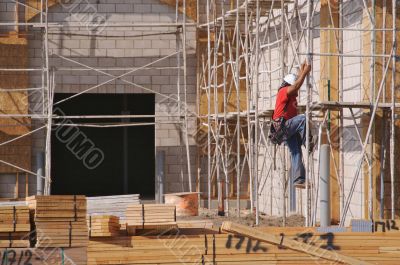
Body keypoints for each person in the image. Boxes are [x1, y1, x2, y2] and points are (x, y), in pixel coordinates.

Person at [269, 61, 313, 188]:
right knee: (303, 118)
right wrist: (305, 72)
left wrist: (301, 71)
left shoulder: (291, 98)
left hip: (286, 130)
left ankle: (299, 179)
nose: (298, 91)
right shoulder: (283, 91)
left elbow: (297, 84)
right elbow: (295, 86)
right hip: (282, 127)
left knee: (296, 152)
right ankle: (308, 143)